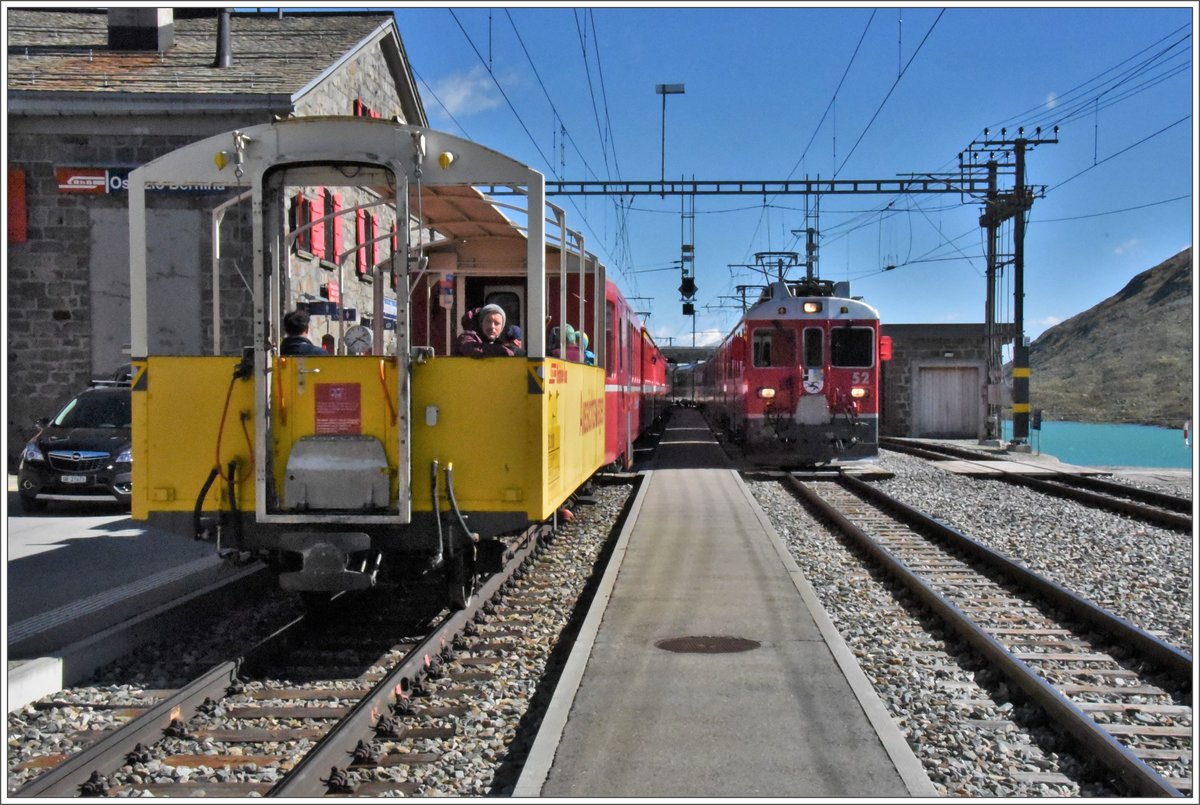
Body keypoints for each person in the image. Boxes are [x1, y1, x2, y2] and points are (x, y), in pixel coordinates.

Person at [454, 303, 525, 357]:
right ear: (481, 322)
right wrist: (506, 351)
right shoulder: (466, 337)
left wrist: (516, 351)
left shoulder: (497, 343)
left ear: (501, 328)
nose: (492, 327)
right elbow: (471, 349)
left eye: (497, 323)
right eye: (488, 321)